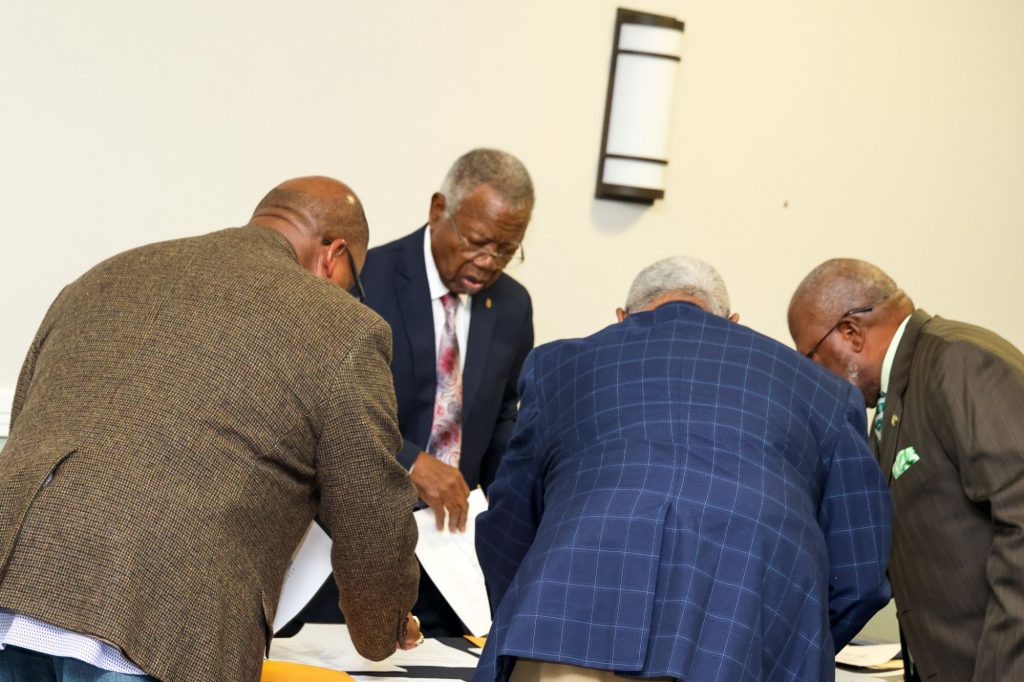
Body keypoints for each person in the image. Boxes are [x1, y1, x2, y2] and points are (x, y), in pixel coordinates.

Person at [0, 177, 421, 682]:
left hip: (13, 583)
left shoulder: (104, 275)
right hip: (159, 621)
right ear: (334, 255)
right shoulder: (345, 327)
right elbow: (370, 507)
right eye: (354, 282)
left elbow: (25, 421)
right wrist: (384, 627)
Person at [475, 256, 893, 682]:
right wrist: (788, 644)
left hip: (563, 631)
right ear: (731, 322)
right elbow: (859, 575)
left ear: (622, 319)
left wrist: (520, 617)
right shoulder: (824, 392)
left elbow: (508, 526)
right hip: (743, 644)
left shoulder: (557, 367)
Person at [300, 148, 535, 636]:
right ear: (438, 209)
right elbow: (318, 404)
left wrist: (515, 514)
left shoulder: (513, 306)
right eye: (477, 242)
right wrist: (410, 461)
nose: (487, 262)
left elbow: (502, 420)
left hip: (450, 564)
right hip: (350, 555)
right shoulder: (365, 279)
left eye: (506, 250)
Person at [789, 258, 1024, 681]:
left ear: (851, 333)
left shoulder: (957, 361)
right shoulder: (894, 402)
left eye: (811, 358)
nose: (813, 378)